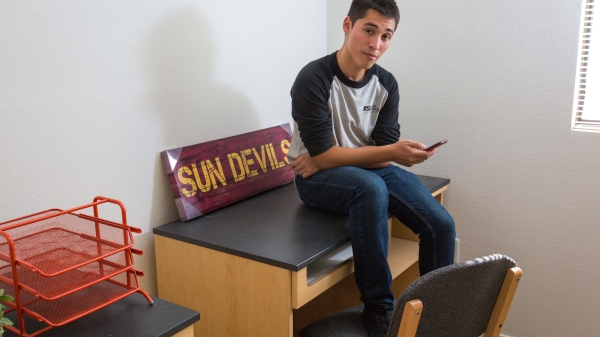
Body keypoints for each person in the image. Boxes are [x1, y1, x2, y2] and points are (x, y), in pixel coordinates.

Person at [287, 1, 456, 336]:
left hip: (362, 169)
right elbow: (322, 156)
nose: (376, 44)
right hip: (315, 178)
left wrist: (339, 154)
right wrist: (329, 157)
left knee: (441, 224)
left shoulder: (386, 84)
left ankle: (436, 319)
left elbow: (375, 157)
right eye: (369, 30)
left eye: (386, 36)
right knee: (370, 188)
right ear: (348, 25)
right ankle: (379, 308)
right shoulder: (313, 78)